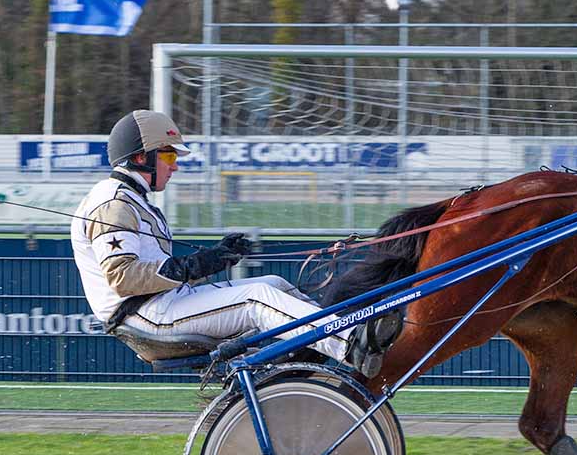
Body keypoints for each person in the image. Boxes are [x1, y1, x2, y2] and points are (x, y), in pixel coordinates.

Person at [71, 110, 365, 369]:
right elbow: (123, 278)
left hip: (162, 305)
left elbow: (160, 272)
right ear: (140, 157)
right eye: (169, 156)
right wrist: (197, 265)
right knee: (256, 298)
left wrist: (215, 257)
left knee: (273, 283)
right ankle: (352, 345)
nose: (175, 166)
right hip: (145, 317)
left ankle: (316, 348)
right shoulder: (113, 203)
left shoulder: (133, 200)